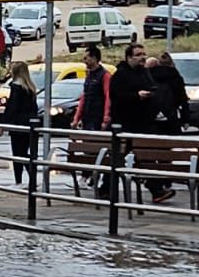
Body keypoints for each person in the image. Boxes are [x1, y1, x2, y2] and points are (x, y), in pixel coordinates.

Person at [111, 43, 173, 202]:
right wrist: (136, 96)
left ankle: (156, 190)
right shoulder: (120, 75)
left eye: (143, 54)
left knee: (147, 156)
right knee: (122, 158)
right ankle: (107, 188)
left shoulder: (145, 72)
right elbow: (117, 98)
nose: (142, 57)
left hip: (144, 123)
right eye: (138, 54)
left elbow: (153, 88)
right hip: (127, 124)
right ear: (129, 57)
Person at [2, 60, 38, 185]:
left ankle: (19, 181)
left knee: (17, 154)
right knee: (24, 152)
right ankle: (32, 177)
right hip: (29, 124)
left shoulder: (16, 87)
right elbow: (34, 108)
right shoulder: (30, 88)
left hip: (17, 124)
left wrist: (3, 124)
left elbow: (12, 107)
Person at [151, 50, 191, 135]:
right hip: (171, 114)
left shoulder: (148, 75)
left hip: (152, 116)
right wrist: (186, 119)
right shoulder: (175, 77)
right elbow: (183, 99)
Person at [73, 45, 110, 132]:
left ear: (94, 58)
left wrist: (106, 118)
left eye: (86, 58)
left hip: (98, 117)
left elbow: (108, 96)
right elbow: (84, 97)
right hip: (87, 117)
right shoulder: (89, 76)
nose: (84, 61)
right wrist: (76, 118)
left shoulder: (105, 75)